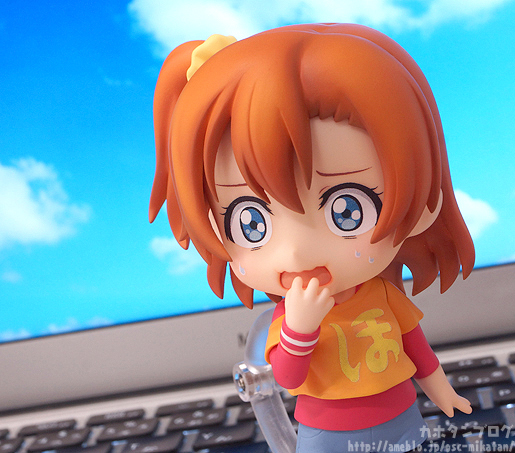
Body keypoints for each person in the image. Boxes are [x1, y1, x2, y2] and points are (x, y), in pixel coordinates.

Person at [150, 23, 475, 453]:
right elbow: (288, 377)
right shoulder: (289, 319)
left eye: (347, 209)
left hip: (401, 419)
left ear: (423, 200)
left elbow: (416, 347)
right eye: (252, 223)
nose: (296, 253)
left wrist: (441, 390)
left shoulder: (383, 296)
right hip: (327, 434)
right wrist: (300, 329)